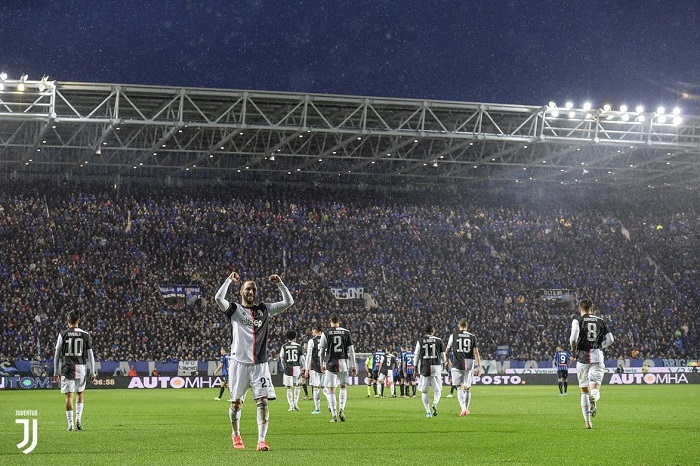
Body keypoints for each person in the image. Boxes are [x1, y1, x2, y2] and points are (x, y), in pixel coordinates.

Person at [215, 270, 294, 451]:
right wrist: (228, 280)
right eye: (247, 289)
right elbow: (218, 299)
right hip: (238, 364)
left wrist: (280, 283)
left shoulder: (264, 310)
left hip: (260, 365)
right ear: (241, 291)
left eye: (253, 290)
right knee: (236, 404)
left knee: (263, 401)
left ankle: (261, 440)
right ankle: (236, 434)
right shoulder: (235, 310)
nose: (251, 292)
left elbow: (289, 302)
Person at [570, 299, 614, 429]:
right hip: (597, 356)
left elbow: (573, 338)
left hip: (582, 358)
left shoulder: (577, 320)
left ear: (580, 309)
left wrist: (574, 349)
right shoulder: (601, 321)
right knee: (594, 388)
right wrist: (600, 345)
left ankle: (588, 422)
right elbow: (611, 339)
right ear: (592, 309)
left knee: (584, 390)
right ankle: (594, 397)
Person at [53, 310, 97, 431]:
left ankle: (70, 424)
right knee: (80, 393)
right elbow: (90, 355)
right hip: (81, 368)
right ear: (79, 321)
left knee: (68, 397)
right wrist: (92, 371)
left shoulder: (62, 334)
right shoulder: (85, 334)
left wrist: (56, 371)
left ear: (68, 322)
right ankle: (78, 419)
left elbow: (57, 355)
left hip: (67, 369)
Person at [318, 313, 357, 423]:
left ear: (330, 321)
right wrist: (353, 365)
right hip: (343, 363)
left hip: (331, 363)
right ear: (339, 321)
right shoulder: (346, 332)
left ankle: (334, 415)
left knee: (331, 390)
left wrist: (322, 364)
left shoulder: (326, 333)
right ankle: (342, 409)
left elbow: (321, 351)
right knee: (343, 387)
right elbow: (351, 351)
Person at [444, 318, 482, 416]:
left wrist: (448, 362)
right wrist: (479, 367)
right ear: (467, 326)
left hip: (457, 363)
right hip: (469, 362)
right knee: (467, 387)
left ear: (458, 326)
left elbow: (447, 351)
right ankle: (467, 408)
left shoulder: (453, 336)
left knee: (459, 386)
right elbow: (476, 352)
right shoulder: (472, 336)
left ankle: (463, 408)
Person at [414, 324, 445, 418]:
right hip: (436, 366)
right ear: (432, 331)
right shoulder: (439, 340)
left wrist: (415, 369)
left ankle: (428, 411)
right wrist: (443, 363)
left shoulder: (420, 341)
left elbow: (416, 355)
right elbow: (442, 355)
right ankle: (435, 404)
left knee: (424, 391)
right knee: (438, 389)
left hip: (424, 366)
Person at [303, 325, 324, 414]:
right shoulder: (326, 339)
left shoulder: (312, 341)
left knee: (316, 387)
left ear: (315, 331)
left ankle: (317, 409)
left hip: (315, 367)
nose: (312, 333)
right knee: (326, 388)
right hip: (325, 366)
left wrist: (307, 369)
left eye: (312, 331)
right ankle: (331, 406)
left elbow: (309, 355)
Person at [281, 330, 303, 412]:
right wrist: (301, 367)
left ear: (287, 337)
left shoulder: (284, 346)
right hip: (296, 368)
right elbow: (302, 359)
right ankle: (296, 404)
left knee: (288, 388)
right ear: (295, 337)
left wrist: (284, 367)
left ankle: (291, 406)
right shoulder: (299, 346)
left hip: (288, 368)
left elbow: (282, 358)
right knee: (297, 386)